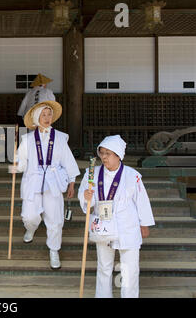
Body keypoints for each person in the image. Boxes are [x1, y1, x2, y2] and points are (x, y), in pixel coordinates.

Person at [78, 135, 155, 298]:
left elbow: (141, 200)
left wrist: (144, 224)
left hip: (127, 226)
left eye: (108, 153)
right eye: (102, 153)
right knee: (104, 266)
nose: (104, 157)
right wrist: (86, 196)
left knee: (129, 269)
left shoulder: (132, 175)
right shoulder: (92, 174)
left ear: (118, 155)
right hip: (103, 224)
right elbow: (86, 202)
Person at [9, 101, 80, 269]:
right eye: (44, 115)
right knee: (29, 216)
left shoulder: (61, 137)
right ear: (36, 117)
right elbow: (21, 161)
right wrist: (15, 165)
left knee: (55, 219)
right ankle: (31, 228)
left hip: (53, 182)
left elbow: (68, 160)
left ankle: (54, 250)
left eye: (49, 114)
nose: (47, 118)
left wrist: (72, 181)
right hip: (33, 180)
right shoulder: (27, 139)